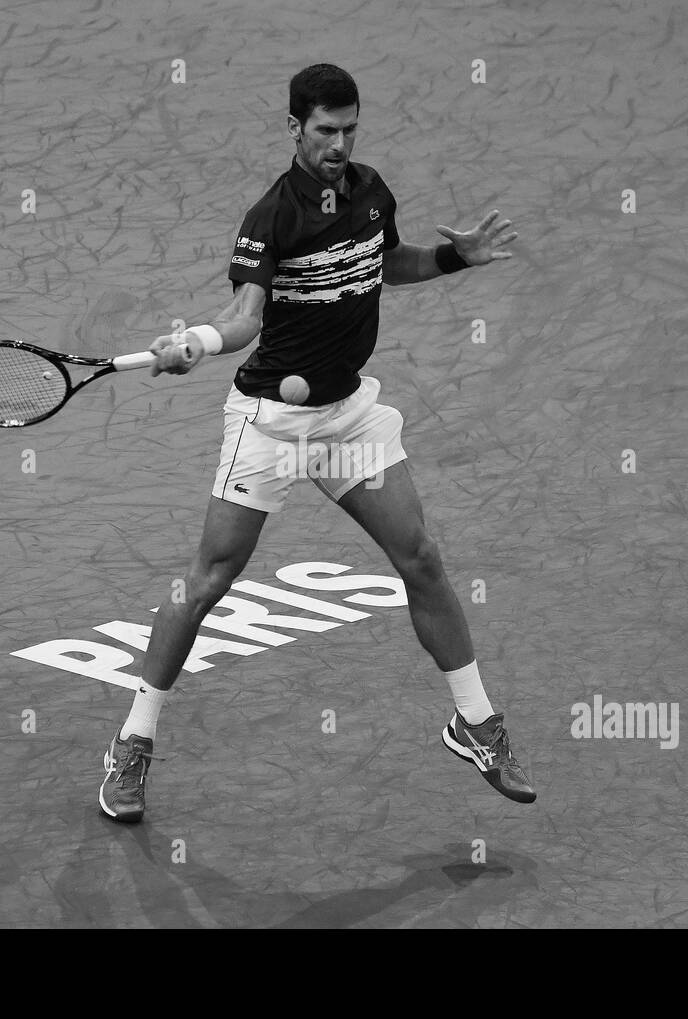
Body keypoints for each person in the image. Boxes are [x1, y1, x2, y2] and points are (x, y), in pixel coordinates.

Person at [99, 63, 532, 823]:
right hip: (271, 421)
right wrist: (195, 341)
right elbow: (244, 317)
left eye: (349, 130)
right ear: (293, 127)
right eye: (324, 131)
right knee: (204, 584)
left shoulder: (370, 191)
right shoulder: (271, 216)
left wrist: (456, 256)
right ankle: (133, 742)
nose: (339, 144)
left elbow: (385, 263)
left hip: (347, 417)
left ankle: (476, 721)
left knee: (421, 557)